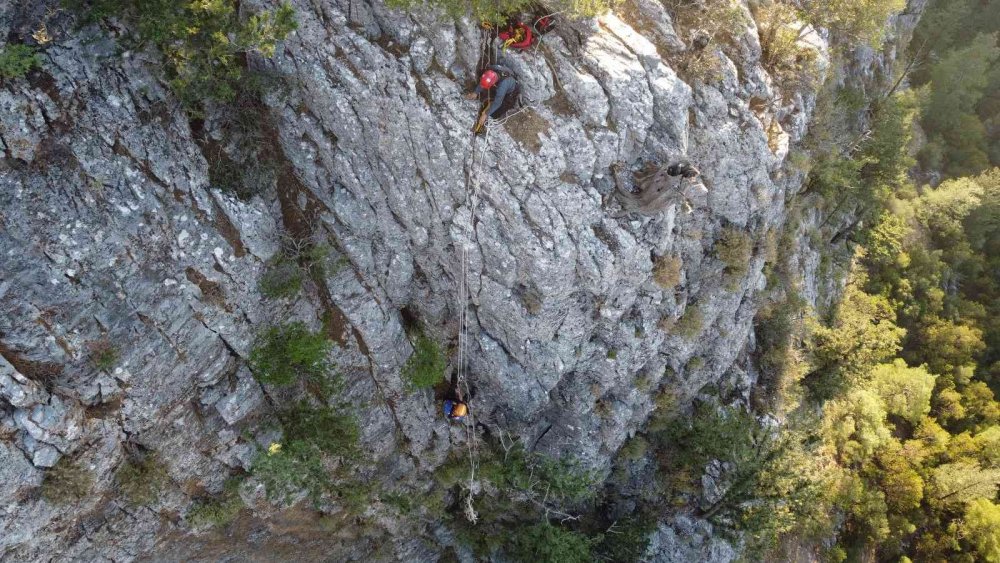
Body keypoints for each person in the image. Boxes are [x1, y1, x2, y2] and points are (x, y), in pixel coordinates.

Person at [465, 64, 519, 132]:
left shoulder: (502, 87)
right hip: (503, 81)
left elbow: (497, 103)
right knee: (491, 94)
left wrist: (486, 114)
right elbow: (484, 80)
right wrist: (475, 92)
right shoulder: (492, 69)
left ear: (493, 84)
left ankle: (490, 115)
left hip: (511, 91)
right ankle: (490, 102)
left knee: (497, 111)